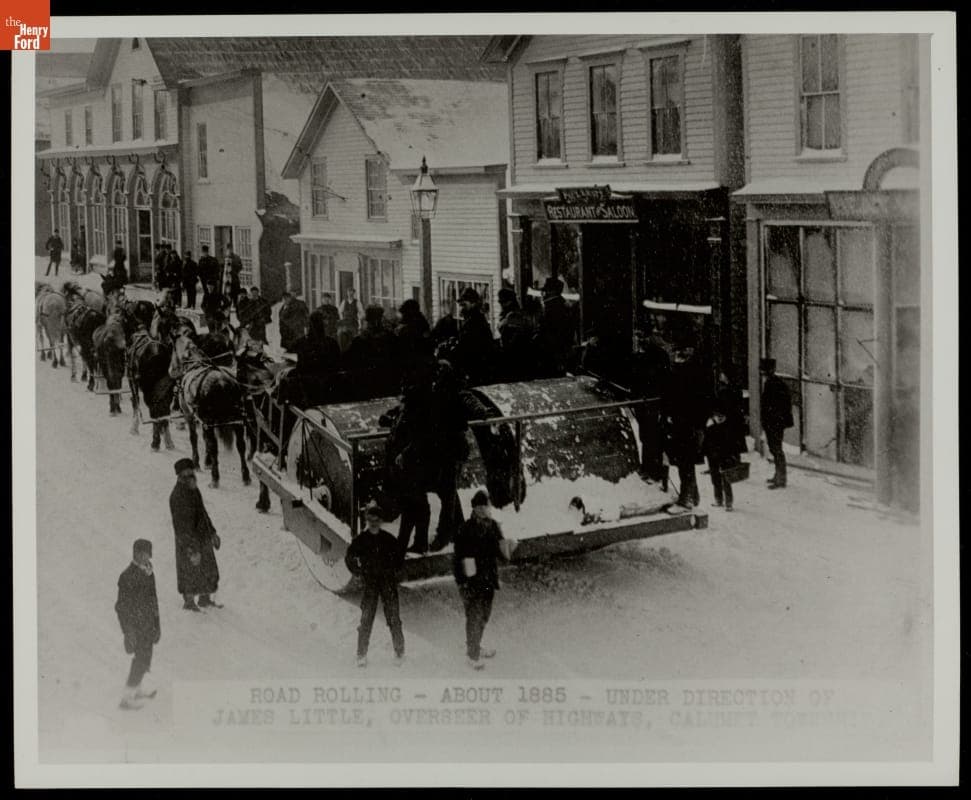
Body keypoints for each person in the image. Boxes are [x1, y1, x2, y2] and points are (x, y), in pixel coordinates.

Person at [453, 490, 516, 670]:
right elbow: (458, 558)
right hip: (471, 581)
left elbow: (502, 553)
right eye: (478, 506)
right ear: (473, 508)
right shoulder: (465, 528)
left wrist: (509, 547)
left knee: (484, 616)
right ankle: (472, 656)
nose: (482, 510)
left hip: (488, 579)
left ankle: (476, 646)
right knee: (474, 616)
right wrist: (462, 581)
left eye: (485, 506)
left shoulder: (494, 526)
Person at [343, 502, 405, 668]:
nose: (373, 522)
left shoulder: (389, 540)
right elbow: (349, 557)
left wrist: (393, 572)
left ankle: (399, 652)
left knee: (394, 618)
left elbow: (400, 557)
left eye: (377, 519)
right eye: (370, 519)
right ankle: (361, 654)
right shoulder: (361, 540)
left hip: (387, 584)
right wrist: (358, 572)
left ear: (381, 521)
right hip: (370, 584)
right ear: (367, 520)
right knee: (366, 619)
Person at [169, 458, 222, 612]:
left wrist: (212, 533)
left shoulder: (194, 490)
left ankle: (204, 599)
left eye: (192, 473)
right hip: (188, 540)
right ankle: (189, 602)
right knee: (189, 570)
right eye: (188, 474)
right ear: (180, 476)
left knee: (207, 568)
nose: (192, 477)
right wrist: (191, 549)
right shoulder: (177, 496)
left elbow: (203, 513)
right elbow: (181, 527)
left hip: (202, 536)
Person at [664, 344, 711, 514]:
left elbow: (695, 400)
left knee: (685, 463)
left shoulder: (688, 373)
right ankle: (692, 496)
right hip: (686, 424)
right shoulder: (692, 371)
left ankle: (687, 499)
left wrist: (697, 424)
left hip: (688, 426)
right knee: (685, 462)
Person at [115, 538, 161, 710]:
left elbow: (153, 601)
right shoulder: (127, 576)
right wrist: (128, 631)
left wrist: (157, 625)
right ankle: (126, 699)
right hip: (136, 627)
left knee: (145, 658)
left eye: (148, 554)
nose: (146, 557)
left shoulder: (149, 573)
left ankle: (137, 689)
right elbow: (121, 607)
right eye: (143, 554)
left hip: (148, 626)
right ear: (136, 554)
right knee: (141, 660)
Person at [450, 287, 497, 387]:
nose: (462, 308)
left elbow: (470, 345)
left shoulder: (476, 321)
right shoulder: (469, 319)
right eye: (461, 305)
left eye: (464, 305)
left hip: (478, 366)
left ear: (473, 303)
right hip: (472, 365)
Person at [703, 403, 745, 512]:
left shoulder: (729, 427)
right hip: (713, 457)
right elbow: (706, 443)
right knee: (715, 478)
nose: (720, 418)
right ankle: (718, 499)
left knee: (727, 479)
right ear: (714, 416)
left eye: (722, 416)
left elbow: (735, 444)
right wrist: (706, 453)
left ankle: (729, 502)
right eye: (718, 416)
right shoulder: (710, 427)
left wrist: (734, 456)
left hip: (725, 456)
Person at [760, 357, 794, 489]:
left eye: (763, 371)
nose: (762, 374)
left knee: (776, 449)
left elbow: (775, 406)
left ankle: (781, 479)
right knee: (775, 449)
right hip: (775, 423)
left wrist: (771, 421)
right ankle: (778, 475)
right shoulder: (775, 382)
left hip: (774, 423)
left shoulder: (772, 384)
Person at [539, 277, 577, 375]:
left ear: (552, 292)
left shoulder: (553, 307)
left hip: (554, 351)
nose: (544, 294)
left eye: (546, 291)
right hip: (561, 350)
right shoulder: (561, 304)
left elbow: (550, 331)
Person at [497, 287, 536, 381]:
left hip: (516, 359)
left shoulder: (514, 317)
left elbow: (511, 341)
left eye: (502, 302)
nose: (501, 305)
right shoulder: (517, 315)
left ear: (509, 302)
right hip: (519, 358)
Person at [224, 244, 243, 310]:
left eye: (231, 249)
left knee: (235, 292)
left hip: (234, 277)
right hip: (227, 278)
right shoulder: (225, 257)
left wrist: (235, 269)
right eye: (228, 249)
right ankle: (228, 305)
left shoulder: (236, 257)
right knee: (228, 292)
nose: (229, 250)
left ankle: (235, 304)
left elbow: (240, 266)